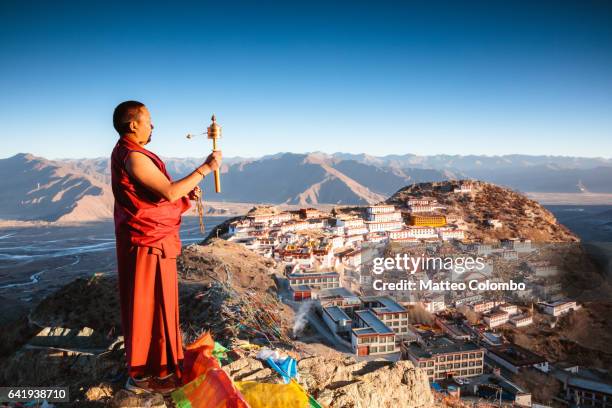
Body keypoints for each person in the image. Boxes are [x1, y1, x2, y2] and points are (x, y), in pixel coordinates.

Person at [110, 100, 222, 395]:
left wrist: (188, 195)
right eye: (148, 120)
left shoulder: (133, 154)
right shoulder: (133, 157)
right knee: (148, 307)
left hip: (153, 240)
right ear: (132, 124)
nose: (152, 126)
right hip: (145, 243)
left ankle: (162, 367)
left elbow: (159, 199)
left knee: (161, 306)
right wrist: (205, 168)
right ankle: (144, 374)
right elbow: (169, 191)